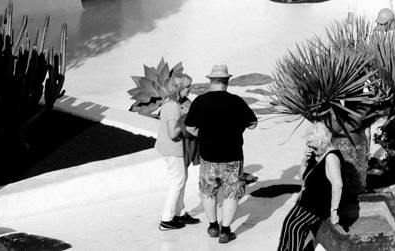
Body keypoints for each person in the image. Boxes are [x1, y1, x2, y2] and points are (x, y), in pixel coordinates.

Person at [183, 65, 258, 242]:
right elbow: (253, 123)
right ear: (227, 81)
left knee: (208, 192)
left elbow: (189, 127)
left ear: (211, 80)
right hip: (232, 155)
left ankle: (212, 226)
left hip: (208, 155)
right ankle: (225, 231)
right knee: (231, 193)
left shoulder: (199, 101)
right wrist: (237, 128)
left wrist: (203, 135)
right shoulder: (237, 101)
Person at [275, 120, 361, 251]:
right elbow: (303, 177)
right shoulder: (316, 155)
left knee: (296, 228)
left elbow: (338, 186)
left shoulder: (331, 158)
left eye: (314, 147)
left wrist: (334, 212)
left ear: (323, 142)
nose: (311, 149)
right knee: (288, 223)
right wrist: (304, 161)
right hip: (306, 201)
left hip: (319, 205)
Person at [154, 71, 197, 231]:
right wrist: (185, 119)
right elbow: (173, 133)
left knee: (182, 178)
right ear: (178, 88)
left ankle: (180, 212)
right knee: (177, 181)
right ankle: (166, 219)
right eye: (187, 87)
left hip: (173, 148)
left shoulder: (171, 103)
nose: (190, 89)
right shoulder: (172, 106)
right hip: (173, 149)